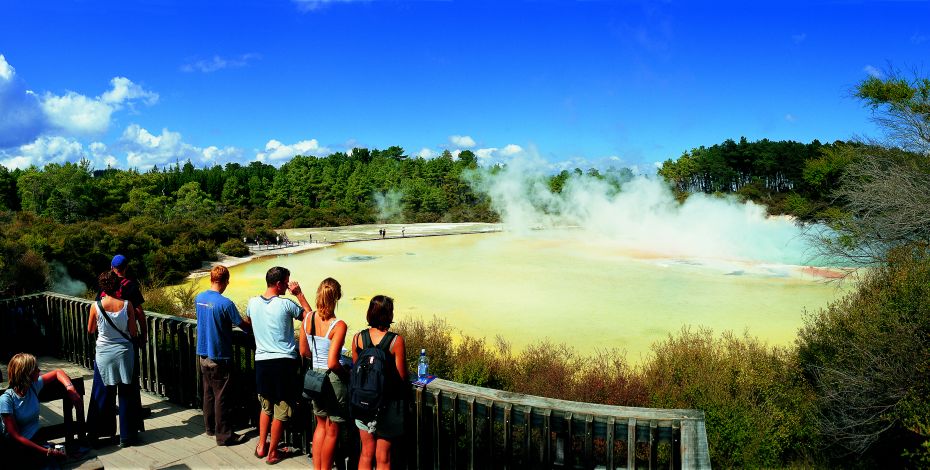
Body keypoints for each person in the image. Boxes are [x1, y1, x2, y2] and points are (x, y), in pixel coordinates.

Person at [248, 266, 312, 465]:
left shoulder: (252, 303)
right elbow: (310, 318)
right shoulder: (287, 305)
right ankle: (273, 452)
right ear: (278, 284)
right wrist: (299, 294)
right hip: (284, 363)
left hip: (262, 361)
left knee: (265, 406)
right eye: (286, 282)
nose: (288, 286)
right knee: (281, 409)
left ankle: (261, 446)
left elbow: (250, 323)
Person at [86, 271, 145, 448]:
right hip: (124, 353)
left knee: (102, 394)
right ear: (118, 286)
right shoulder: (127, 305)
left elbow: (90, 330)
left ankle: (98, 434)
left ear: (102, 288)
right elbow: (133, 332)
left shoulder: (95, 306)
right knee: (127, 394)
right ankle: (127, 437)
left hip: (104, 353)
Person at [195, 265, 252, 446]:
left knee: (208, 393)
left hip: (203, 354)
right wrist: (252, 321)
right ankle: (224, 435)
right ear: (226, 281)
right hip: (219, 355)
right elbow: (243, 326)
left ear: (211, 279)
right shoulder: (225, 303)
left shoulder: (199, 298)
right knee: (222, 397)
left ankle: (210, 428)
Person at [352, 295, 408, 470]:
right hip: (387, 405)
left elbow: (356, 369)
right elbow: (401, 376)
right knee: (383, 457)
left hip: (362, 403)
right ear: (388, 314)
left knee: (366, 453)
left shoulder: (357, 338)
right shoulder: (395, 341)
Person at [298, 278, 348, 470]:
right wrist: (346, 374)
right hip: (332, 379)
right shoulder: (339, 325)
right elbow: (333, 362)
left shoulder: (308, 318)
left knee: (320, 425)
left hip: (314, 379)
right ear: (337, 297)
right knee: (333, 430)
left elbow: (303, 351)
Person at [1, 353, 85, 466]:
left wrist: (71, 390)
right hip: (19, 448)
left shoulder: (33, 386)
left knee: (62, 457)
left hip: (36, 441)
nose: (39, 370)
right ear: (27, 373)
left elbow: (57, 372)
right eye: (35, 368)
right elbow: (16, 437)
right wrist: (48, 452)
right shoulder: (6, 399)